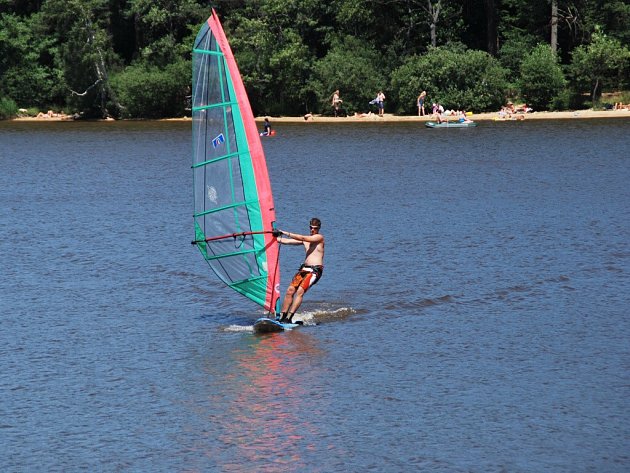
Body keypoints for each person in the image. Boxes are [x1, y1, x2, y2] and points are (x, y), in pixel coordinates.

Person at [272, 218, 325, 323]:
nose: (312, 230)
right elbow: (286, 241)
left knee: (300, 291)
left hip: (315, 271)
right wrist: (272, 238)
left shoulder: (319, 238)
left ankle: (289, 318)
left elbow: (302, 237)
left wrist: (284, 232)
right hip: (304, 270)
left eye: (315, 228)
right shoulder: (305, 241)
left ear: (318, 228)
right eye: (311, 228)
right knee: (290, 290)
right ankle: (282, 317)